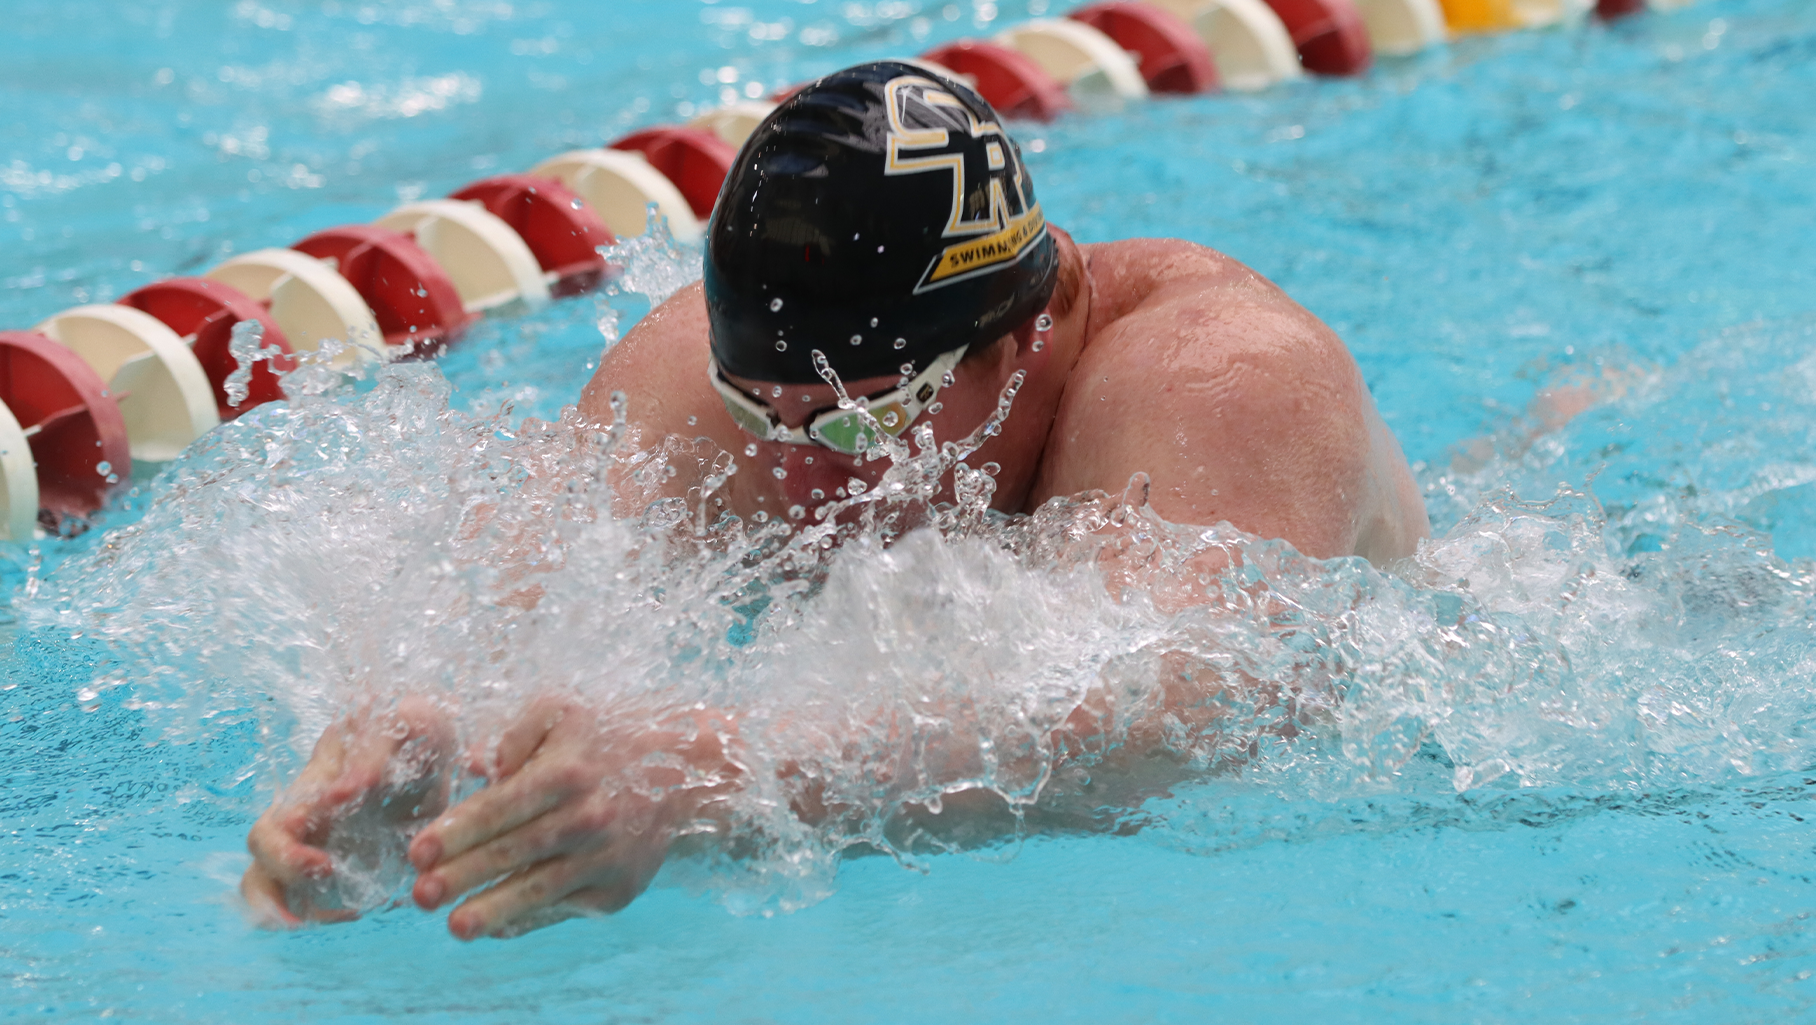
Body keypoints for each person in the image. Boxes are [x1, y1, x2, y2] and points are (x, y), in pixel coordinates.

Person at [241, 61, 1430, 939]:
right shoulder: (741, 380)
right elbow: (528, 583)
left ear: (1017, 340)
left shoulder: (1218, 380)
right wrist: (415, 741)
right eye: (769, 419)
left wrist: (720, 768)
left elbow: (1175, 718)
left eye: (870, 419)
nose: (809, 479)